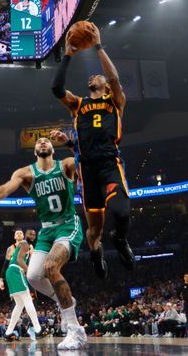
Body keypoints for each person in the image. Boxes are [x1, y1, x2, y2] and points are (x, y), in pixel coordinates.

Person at [0, 136, 87, 350]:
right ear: (34, 151)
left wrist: (71, 141)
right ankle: (67, 301)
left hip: (68, 224)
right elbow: (5, 189)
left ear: (53, 148)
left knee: (51, 266)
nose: (43, 142)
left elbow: (86, 160)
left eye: (46, 141)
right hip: (47, 229)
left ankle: (75, 330)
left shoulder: (67, 164)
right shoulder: (25, 173)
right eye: (39, 141)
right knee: (33, 276)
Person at [50, 25, 134, 277]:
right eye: (92, 77)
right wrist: (67, 55)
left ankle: (119, 239)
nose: (92, 78)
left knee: (121, 212)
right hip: (86, 170)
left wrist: (98, 46)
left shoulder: (115, 101)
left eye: (97, 77)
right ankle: (96, 252)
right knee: (94, 232)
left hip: (109, 165)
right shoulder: (78, 104)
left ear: (106, 86)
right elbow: (56, 89)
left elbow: (116, 79)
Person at [1, 229, 43, 341]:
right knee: (28, 300)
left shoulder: (25, 245)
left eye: (34, 234)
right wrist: (29, 271)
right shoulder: (25, 244)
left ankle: (8, 332)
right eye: (30, 234)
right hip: (16, 271)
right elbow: (20, 260)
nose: (32, 236)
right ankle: (38, 329)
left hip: (11, 272)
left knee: (19, 305)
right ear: (26, 235)